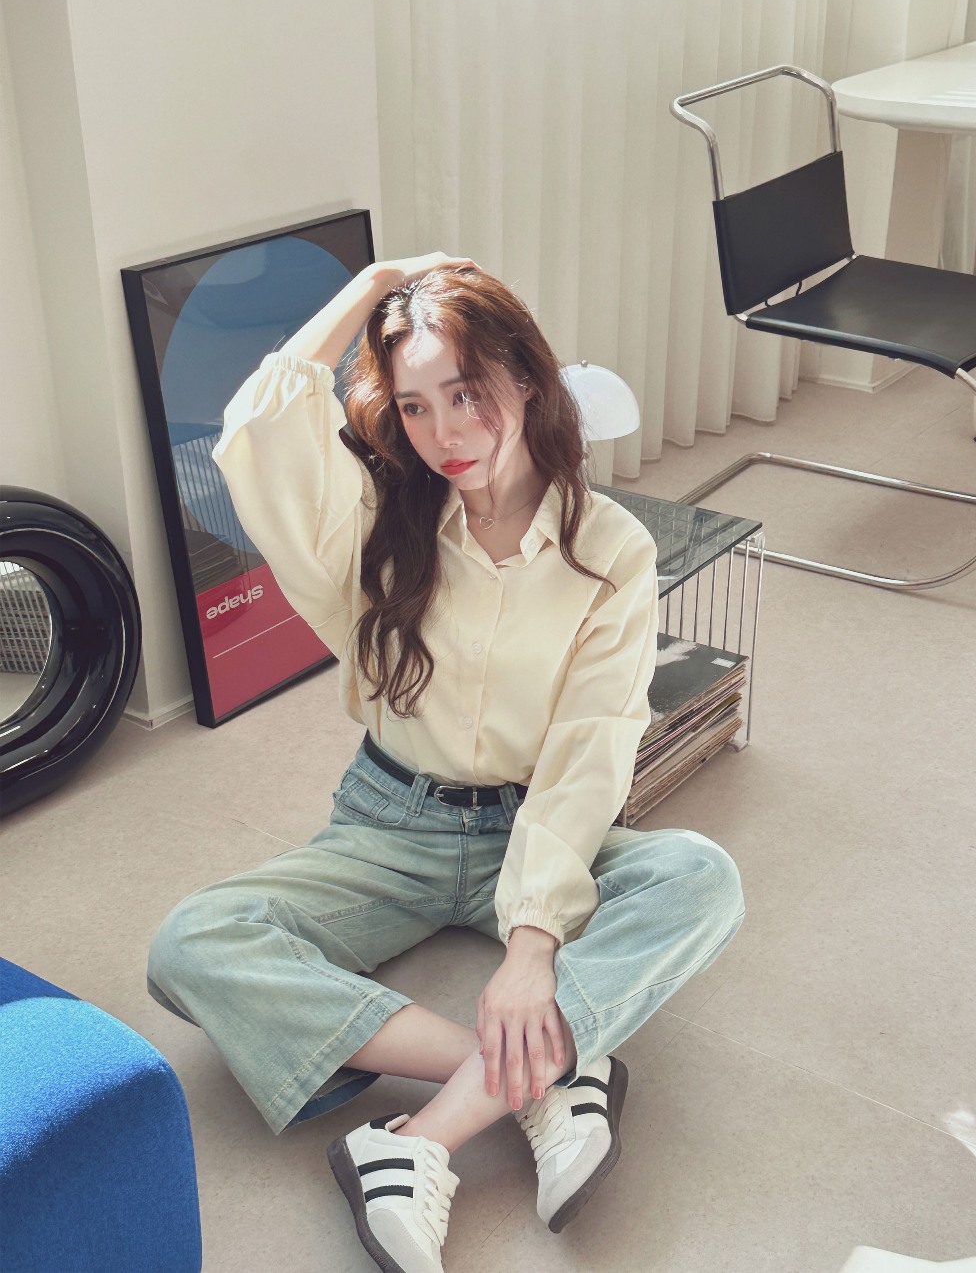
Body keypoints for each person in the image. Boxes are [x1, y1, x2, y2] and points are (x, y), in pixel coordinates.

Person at [147, 254, 746, 1273]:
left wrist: (532, 945)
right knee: (190, 943)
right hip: (391, 824)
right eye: (416, 406)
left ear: (527, 379)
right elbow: (257, 425)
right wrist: (374, 284)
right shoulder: (374, 520)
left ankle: (417, 1141)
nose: (446, 433)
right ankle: (540, 1076)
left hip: (538, 823)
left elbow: (590, 749)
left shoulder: (611, 549)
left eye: (467, 394)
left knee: (701, 876)